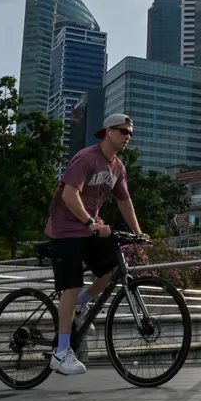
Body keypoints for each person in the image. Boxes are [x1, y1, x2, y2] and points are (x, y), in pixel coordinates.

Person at [44, 113, 146, 375]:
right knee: (71, 283)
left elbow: (124, 200)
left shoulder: (118, 167)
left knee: (114, 266)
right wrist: (90, 223)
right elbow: (69, 194)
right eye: (124, 131)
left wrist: (138, 232)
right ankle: (61, 351)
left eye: (131, 133)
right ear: (108, 132)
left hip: (90, 229)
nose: (128, 137)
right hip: (65, 229)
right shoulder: (86, 158)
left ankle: (81, 303)